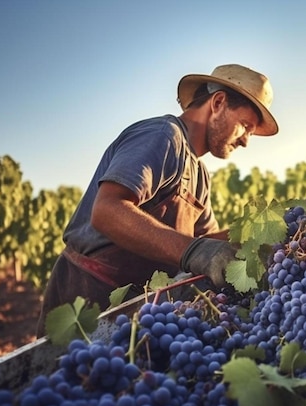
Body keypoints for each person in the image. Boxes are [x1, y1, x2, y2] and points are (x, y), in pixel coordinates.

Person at [36, 64, 279, 337]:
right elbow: (107, 210)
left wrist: (257, 234)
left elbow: (209, 242)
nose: (246, 140)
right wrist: (193, 252)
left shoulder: (199, 174)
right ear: (218, 102)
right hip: (87, 297)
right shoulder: (163, 136)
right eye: (245, 126)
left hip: (137, 309)